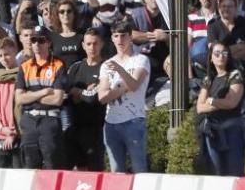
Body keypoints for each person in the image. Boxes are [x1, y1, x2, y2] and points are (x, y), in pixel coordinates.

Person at [98, 20, 150, 173]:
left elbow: (134, 85)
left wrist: (120, 71)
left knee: (139, 169)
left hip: (133, 120)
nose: (120, 40)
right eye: (116, 36)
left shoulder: (141, 59)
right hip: (111, 122)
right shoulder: (107, 64)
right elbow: (102, 96)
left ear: (130, 37)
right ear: (112, 38)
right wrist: (122, 88)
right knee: (116, 171)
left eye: (123, 35)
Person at [14, 26, 66, 169]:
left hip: (49, 120)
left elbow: (57, 99)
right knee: (29, 164)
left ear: (48, 42)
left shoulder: (58, 65)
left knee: (52, 163)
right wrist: (42, 93)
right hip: (29, 120)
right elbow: (19, 99)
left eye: (41, 40)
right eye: (33, 40)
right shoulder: (24, 67)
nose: (36, 44)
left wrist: (29, 96)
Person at [195, 40, 245, 176]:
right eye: (217, 53)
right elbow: (200, 107)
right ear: (211, 57)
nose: (221, 56)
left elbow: (232, 103)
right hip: (213, 131)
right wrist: (220, 103)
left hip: (232, 130)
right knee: (215, 173)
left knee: (234, 173)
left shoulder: (235, 75)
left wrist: (212, 101)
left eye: (224, 53)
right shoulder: (209, 78)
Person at [65, 28, 106, 171]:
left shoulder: (106, 67)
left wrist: (77, 92)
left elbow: (94, 98)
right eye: (88, 44)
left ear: (102, 44)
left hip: (98, 129)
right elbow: (66, 92)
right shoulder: (75, 68)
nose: (92, 48)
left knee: (96, 172)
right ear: (83, 45)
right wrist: (84, 92)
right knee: (80, 173)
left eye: (95, 44)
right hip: (77, 127)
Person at [0, 37, 21, 168]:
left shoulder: (22, 75)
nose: (4, 58)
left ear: (15, 52)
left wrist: (12, 132)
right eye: (0, 55)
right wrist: (1, 128)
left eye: (7, 54)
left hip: (19, 135)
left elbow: (21, 108)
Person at [206, 0, 245, 70]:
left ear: (235, 8)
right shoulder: (212, 26)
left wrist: (227, 55)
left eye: (230, 6)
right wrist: (240, 46)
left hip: (242, 68)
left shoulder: (243, 23)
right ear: (218, 8)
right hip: (221, 69)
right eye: (223, 6)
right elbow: (215, 53)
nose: (226, 9)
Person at [130, 0, 171, 86]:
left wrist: (165, 37)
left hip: (165, 60)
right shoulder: (135, 14)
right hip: (141, 58)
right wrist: (153, 36)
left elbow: (179, 37)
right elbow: (130, 35)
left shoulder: (168, 15)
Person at [187, 0, 218, 78]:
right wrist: (190, 76)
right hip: (197, 64)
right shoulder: (191, 18)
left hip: (217, 62)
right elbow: (187, 47)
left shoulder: (221, 17)